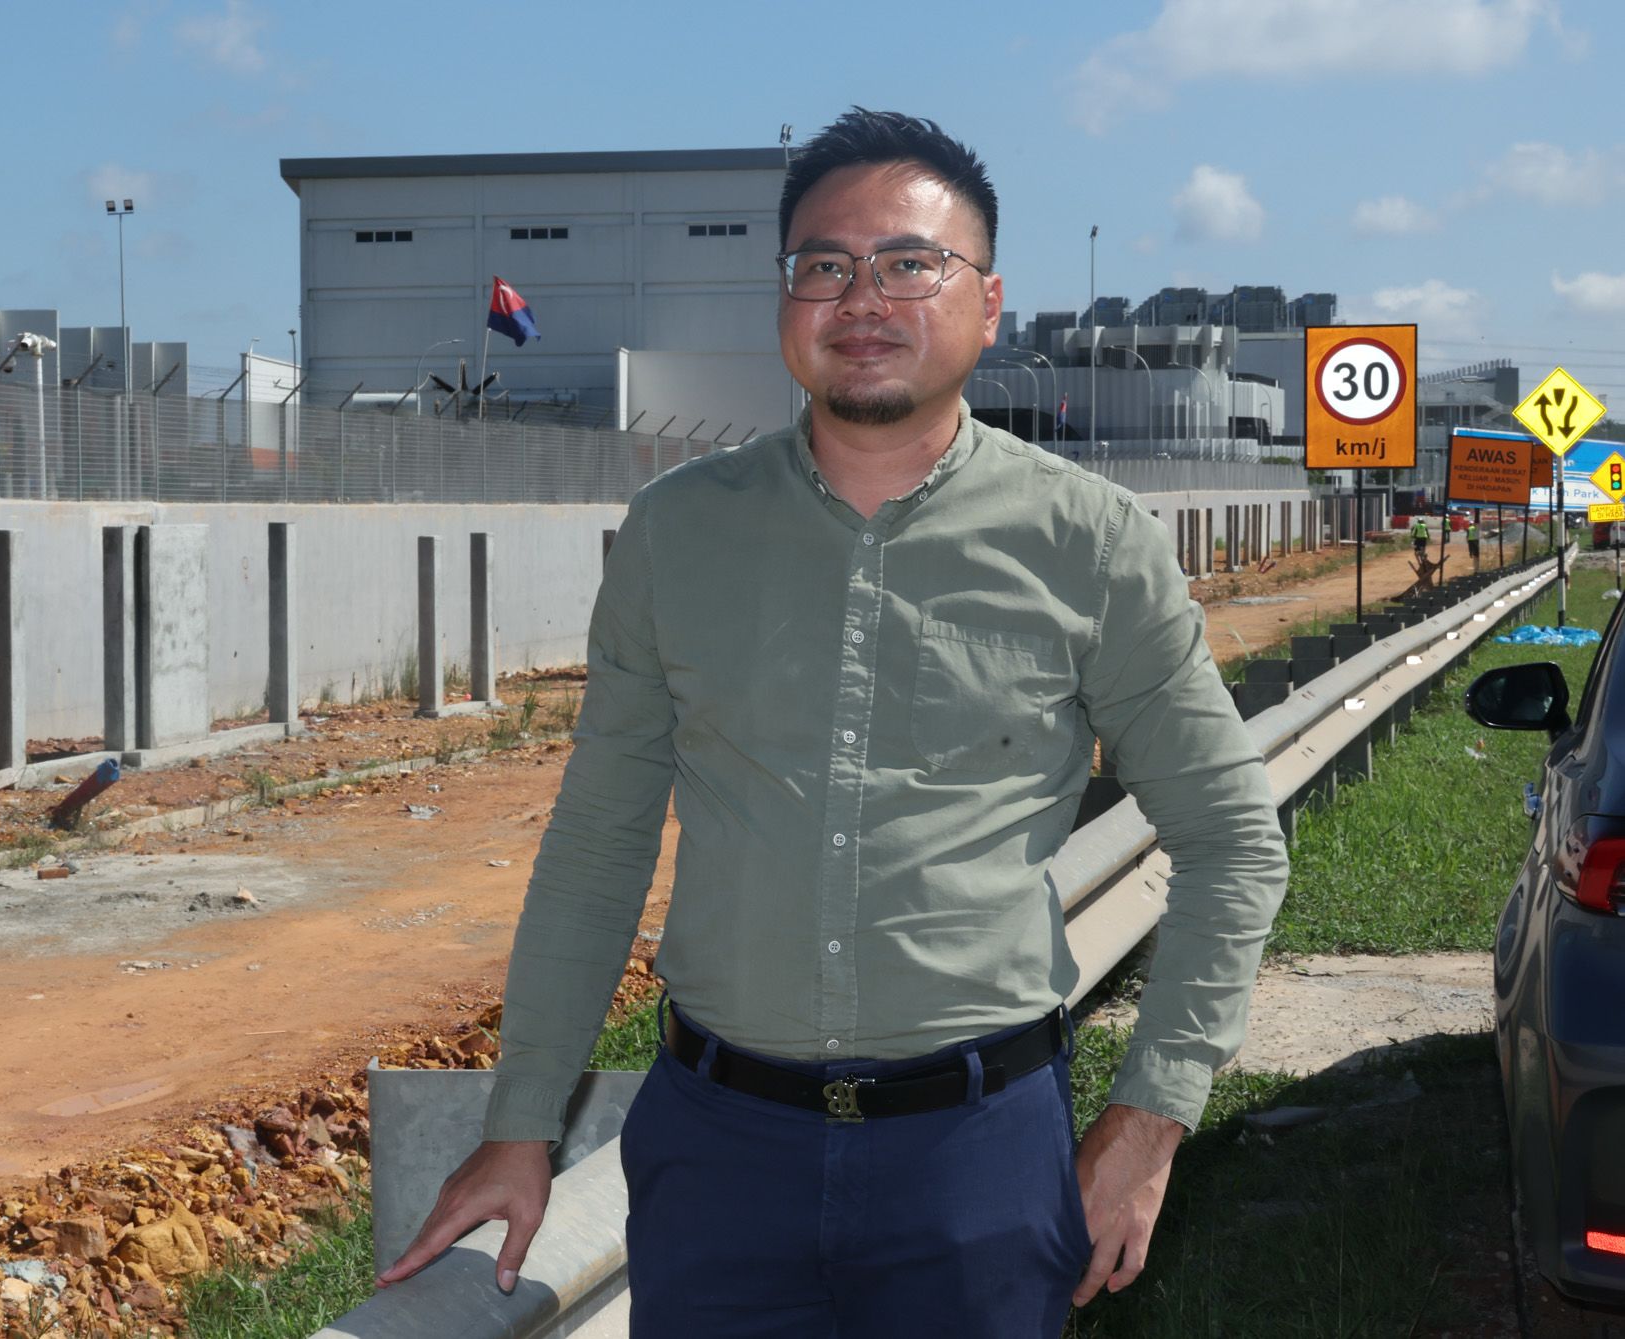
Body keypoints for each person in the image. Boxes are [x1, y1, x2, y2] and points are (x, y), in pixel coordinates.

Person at [376, 108, 1290, 1334]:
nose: (862, 296)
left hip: (977, 1155)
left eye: (911, 263)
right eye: (824, 265)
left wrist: (1149, 1118)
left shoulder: (1091, 543)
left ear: (989, 301)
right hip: (719, 1153)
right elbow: (598, 844)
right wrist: (520, 1125)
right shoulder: (676, 532)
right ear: (786, 298)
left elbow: (1232, 837)